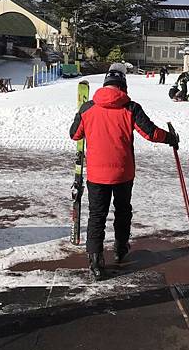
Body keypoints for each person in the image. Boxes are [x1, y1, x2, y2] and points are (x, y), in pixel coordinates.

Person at [69, 67, 179, 280]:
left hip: (96, 176)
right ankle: (120, 248)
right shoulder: (131, 108)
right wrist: (170, 138)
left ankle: (95, 261)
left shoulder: (87, 108)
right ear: (123, 87)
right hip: (123, 173)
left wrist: (83, 119)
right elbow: (150, 132)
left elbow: (75, 134)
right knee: (122, 211)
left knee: (97, 216)